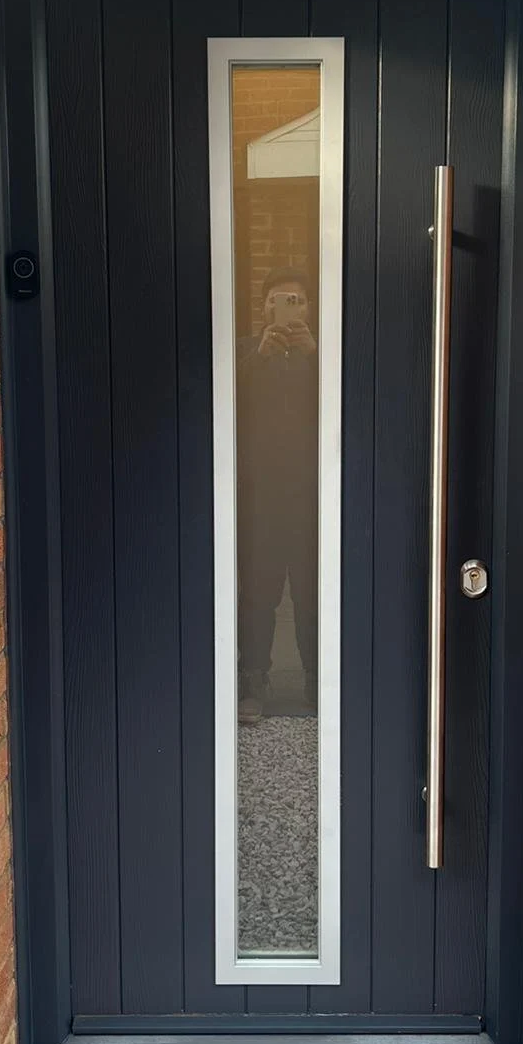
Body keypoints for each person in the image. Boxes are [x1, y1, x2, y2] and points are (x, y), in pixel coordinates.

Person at [236, 268, 318, 724]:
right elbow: (224, 401)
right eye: (280, 300)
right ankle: (253, 683)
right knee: (259, 592)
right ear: (264, 306)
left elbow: (347, 400)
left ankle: (317, 679)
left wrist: (314, 356)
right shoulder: (245, 352)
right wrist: (260, 359)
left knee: (312, 590)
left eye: (298, 301)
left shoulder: (322, 353)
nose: (288, 308)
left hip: (312, 494)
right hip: (258, 494)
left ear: (308, 309)